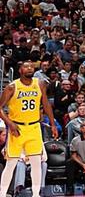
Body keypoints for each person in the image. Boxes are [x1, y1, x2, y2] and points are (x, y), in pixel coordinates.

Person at [0, 61, 58, 197]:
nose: (30, 68)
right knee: (11, 163)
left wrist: (53, 124)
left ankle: (36, 194)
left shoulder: (40, 84)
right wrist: (10, 123)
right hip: (17, 128)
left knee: (36, 162)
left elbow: (46, 104)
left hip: (34, 127)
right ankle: (2, 194)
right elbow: (0, 108)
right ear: (20, 70)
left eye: (32, 66)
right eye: (26, 67)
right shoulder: (12, 87)